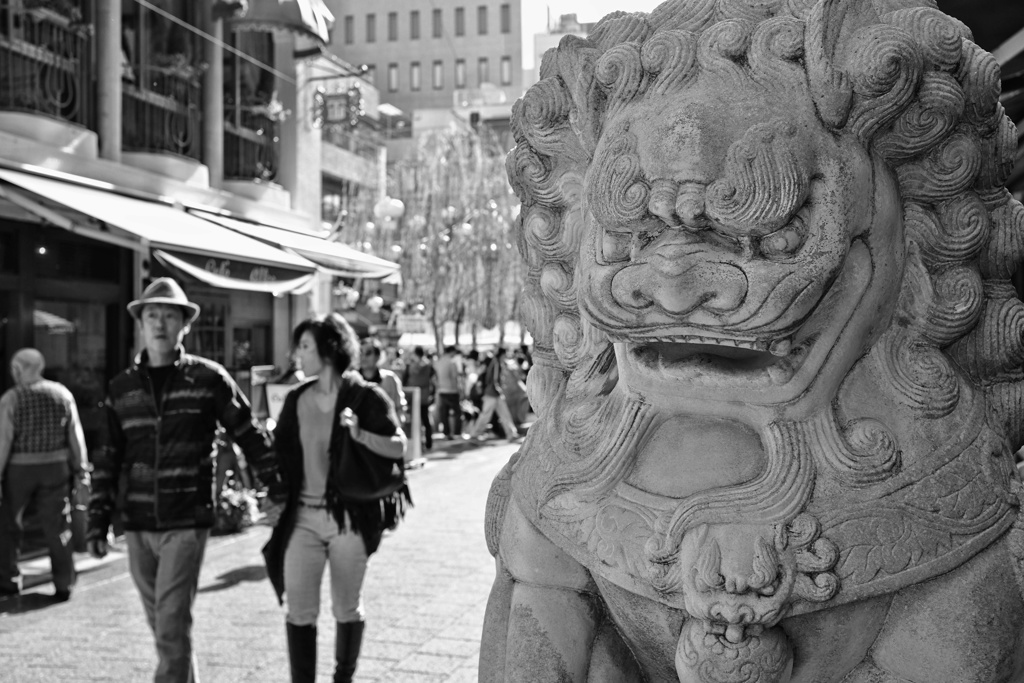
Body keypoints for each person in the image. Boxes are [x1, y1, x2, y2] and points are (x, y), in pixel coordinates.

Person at [87, 277, 285, 683]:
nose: (160, 323)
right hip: (139, 523)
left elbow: (247, 433)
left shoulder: (208, 379)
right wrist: (98, 519)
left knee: (171, 624)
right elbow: (109, 457)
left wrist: (277, 488)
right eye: (152, 315)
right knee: (165, 626)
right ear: (141, 323)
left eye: (169, 316)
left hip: (186, 520)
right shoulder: (122, 388)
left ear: (185, 325)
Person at [263, 314, 409, 683]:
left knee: (346, 607)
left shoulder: (365, 397)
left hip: (349, 519)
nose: (298, 354)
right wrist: (272, 490)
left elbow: (398, 447)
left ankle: (343, 677)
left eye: (306, 346)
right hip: (303, 521)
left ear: (330, 349)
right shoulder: (297, 398)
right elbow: (280, 456)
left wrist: (359, 434)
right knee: (299, 611)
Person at [0, 348, 89, 601]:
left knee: (9, 524)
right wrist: (80, 468)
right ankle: (63, 582)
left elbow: (3, 441)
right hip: (56, 467)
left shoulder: (12, 397)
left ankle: (9, 580)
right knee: (58, 525)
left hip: (20, 468)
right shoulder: (62, 393)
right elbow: (76, 436)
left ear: (18, 369)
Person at [468, 347, 521, 441]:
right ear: (502, 355)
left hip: (493, 393)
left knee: (503, 414)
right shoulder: (496, 363)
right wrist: (499, 390)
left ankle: (511, 433)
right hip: (492, 393)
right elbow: (494, 379)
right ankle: (475, 434)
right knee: (487, 415)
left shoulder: (494, 362)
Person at [358, 337, 406, 422]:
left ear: (378, 356)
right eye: (360, 353)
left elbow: (399, 408)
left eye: (368, 353)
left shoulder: (390, 378)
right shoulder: (352, 380)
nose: (363, 357)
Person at [401, 346, 437, 450]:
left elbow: (404, 381)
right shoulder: (428, 366)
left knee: (416, 421)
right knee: (425, 420)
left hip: (413, 398)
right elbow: (434, 381)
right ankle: (426, 443)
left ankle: (418, 444)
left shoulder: (410, 366)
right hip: (422, 397)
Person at [433, 346, 464, 439]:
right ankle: (457, 433)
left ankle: (446, 433)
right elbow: (455, 377)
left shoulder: (438, 362)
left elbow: (435, 378)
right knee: (458, 413)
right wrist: (460, 390)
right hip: (452, 391)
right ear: (451, 352)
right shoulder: (452, 362)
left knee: (444, 414)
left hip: (442, 390)